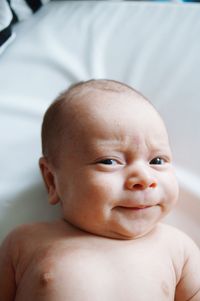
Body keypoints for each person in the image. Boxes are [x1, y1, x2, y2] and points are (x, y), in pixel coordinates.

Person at [0, 79, 200, 301]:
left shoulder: (177, 248)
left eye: (157, 160)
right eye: (109, 161)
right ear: (52, 180)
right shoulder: (25, 243)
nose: (144, 178)